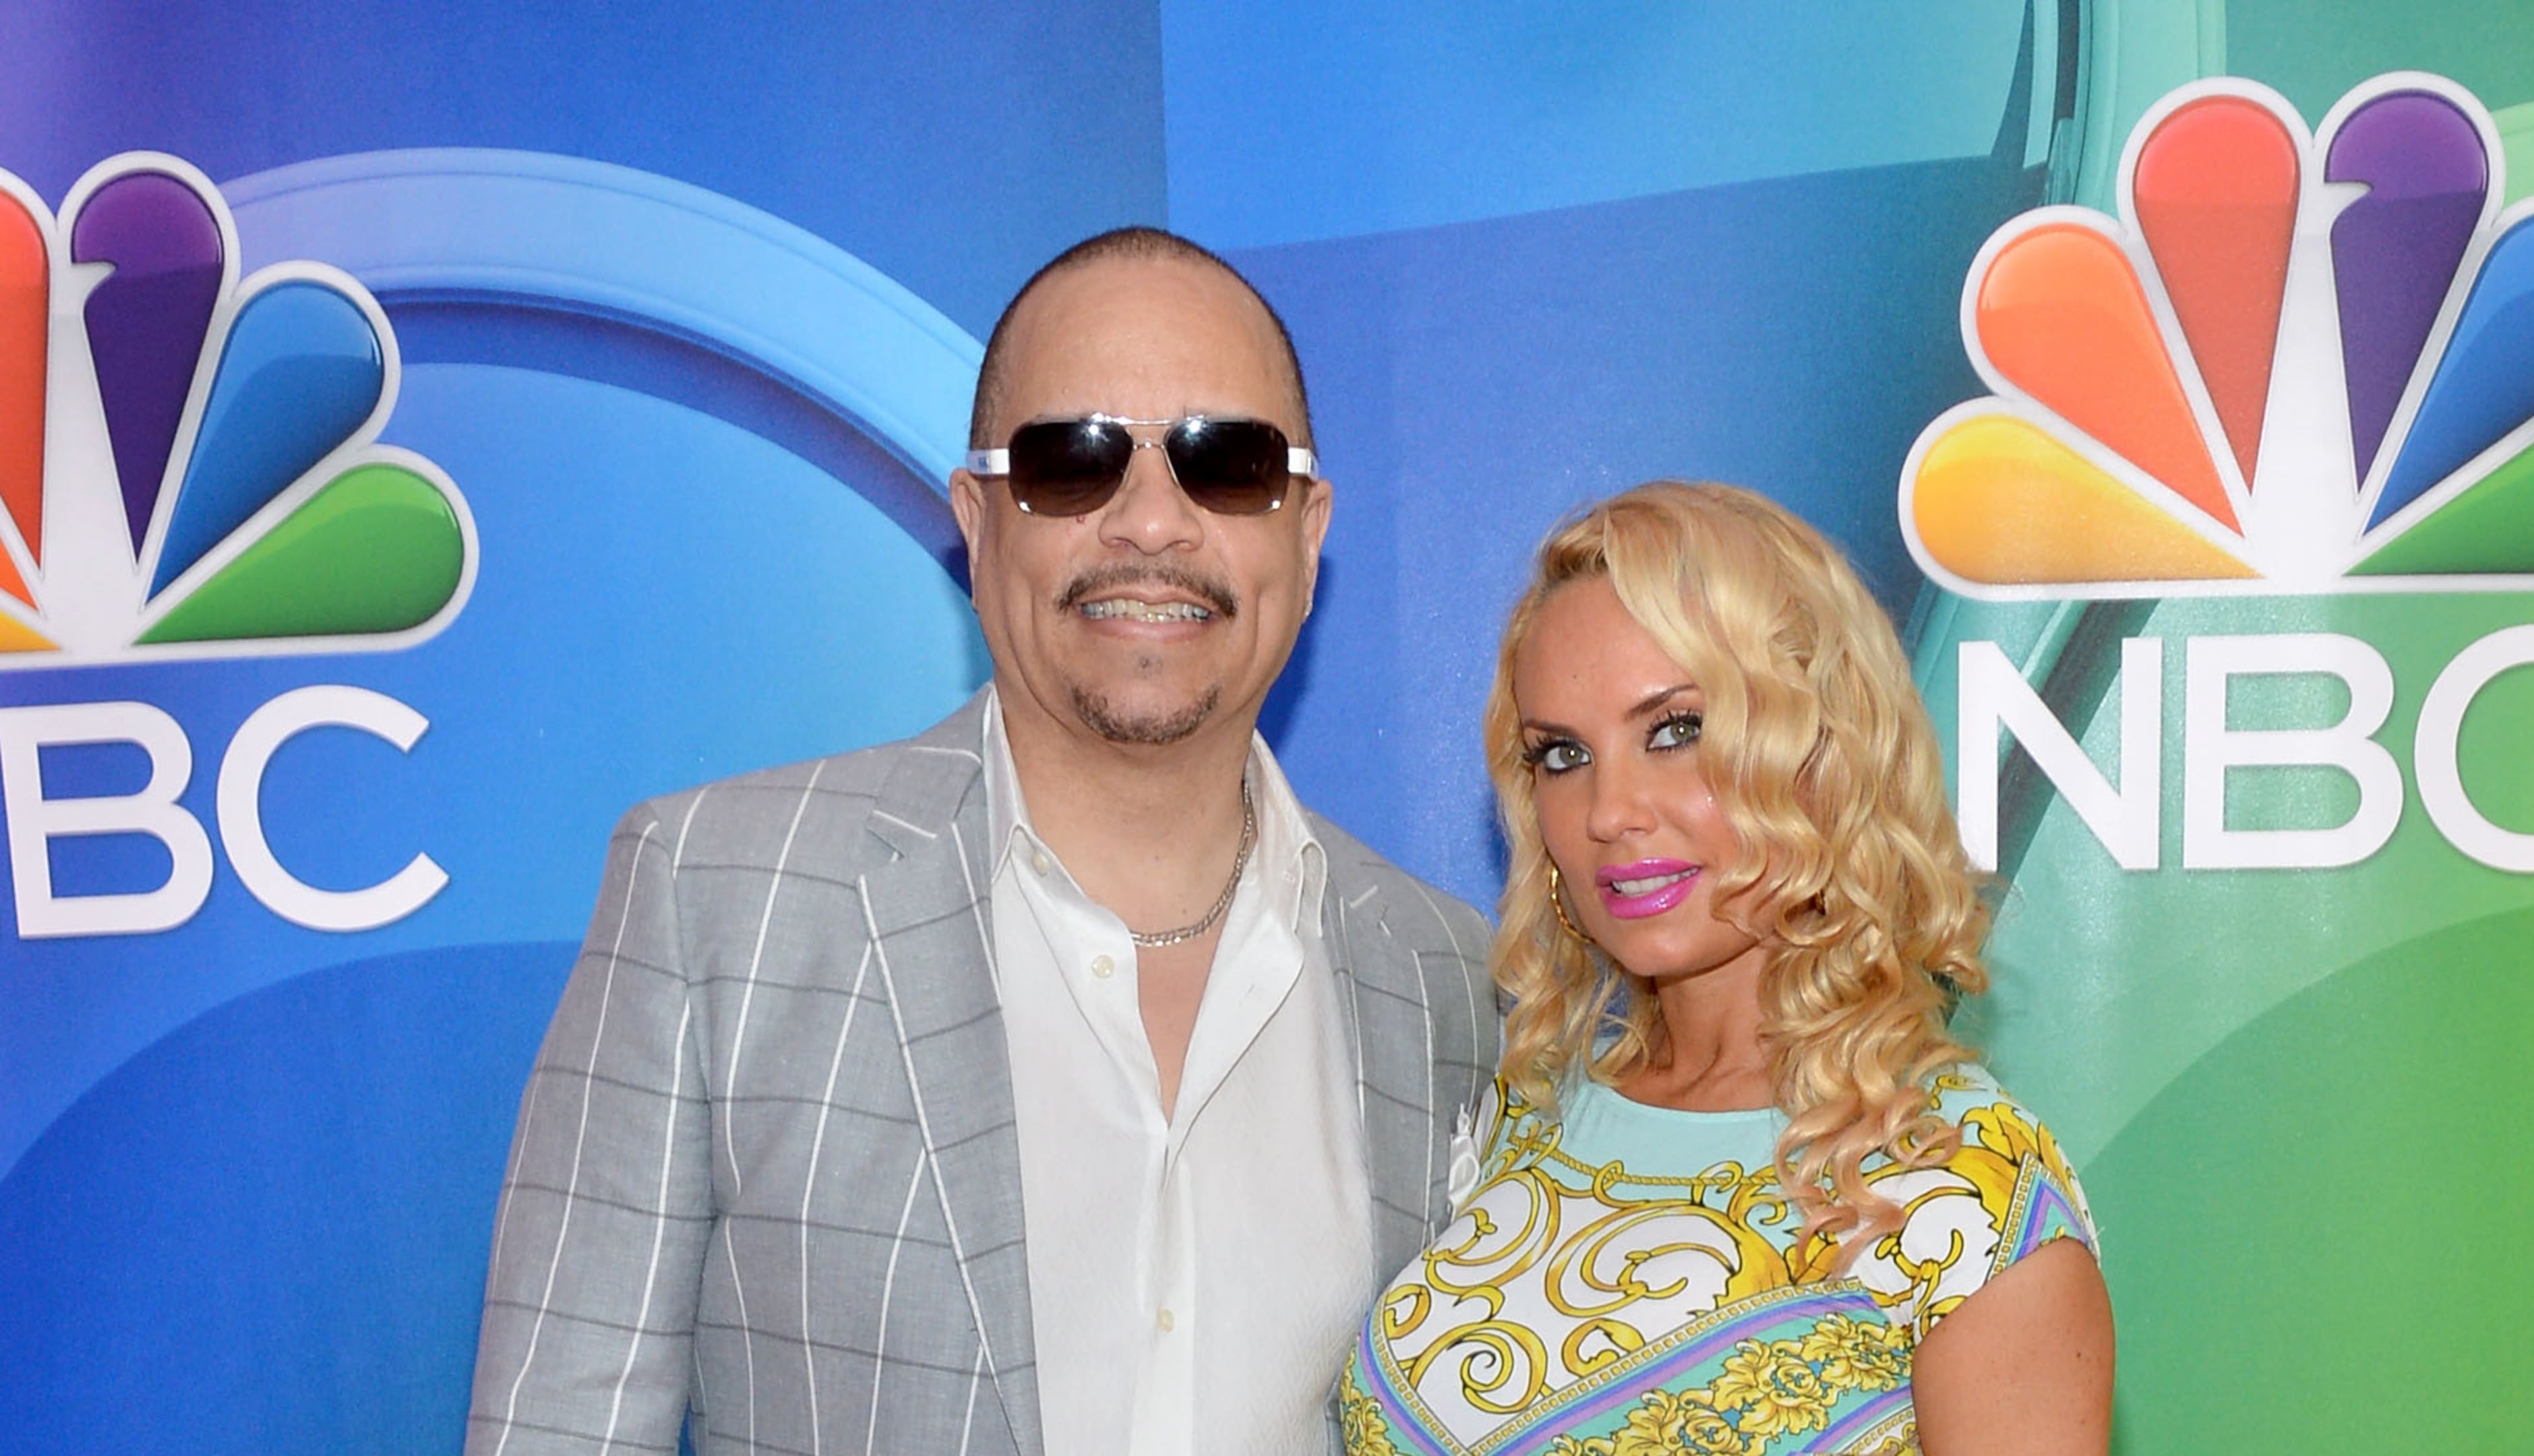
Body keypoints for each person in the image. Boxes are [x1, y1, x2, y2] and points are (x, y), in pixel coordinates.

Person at [464, 227, 1498, 1456]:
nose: (1153, 523)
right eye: (1074, 461)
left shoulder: (1446, 977)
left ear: (1307, 527)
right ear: (978, 519)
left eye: (1226, 463)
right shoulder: (715, 905)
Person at [1339, 482, 2112, 1456]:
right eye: (1564, 755)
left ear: (1823, 749)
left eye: (1677, 731)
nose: (1611, 809)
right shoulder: (1519, 1118)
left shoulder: (1969, 1192)